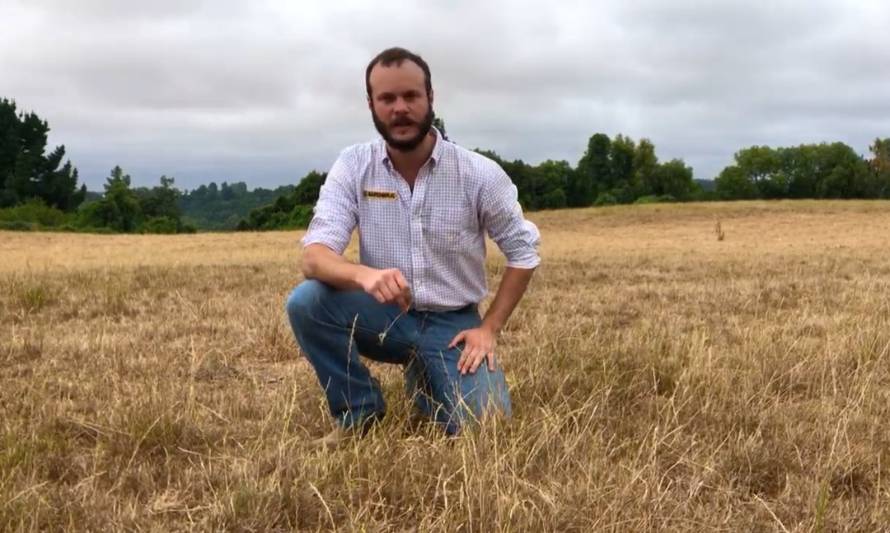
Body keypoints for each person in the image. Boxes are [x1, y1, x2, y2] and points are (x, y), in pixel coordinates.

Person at [285, 47, 540, 444]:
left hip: (452, 324)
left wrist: (488, 329)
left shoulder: (479, 174)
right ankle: (360, 413)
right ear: (371, 105)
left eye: (410, 96)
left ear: (430, 98)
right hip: (385, 316)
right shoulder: (354, 166)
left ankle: (427, 374)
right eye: (387, 99)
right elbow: (314, 258)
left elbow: (523, 253)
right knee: (306, 302)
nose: (399, 108)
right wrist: (363, 276)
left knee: (485, 431)